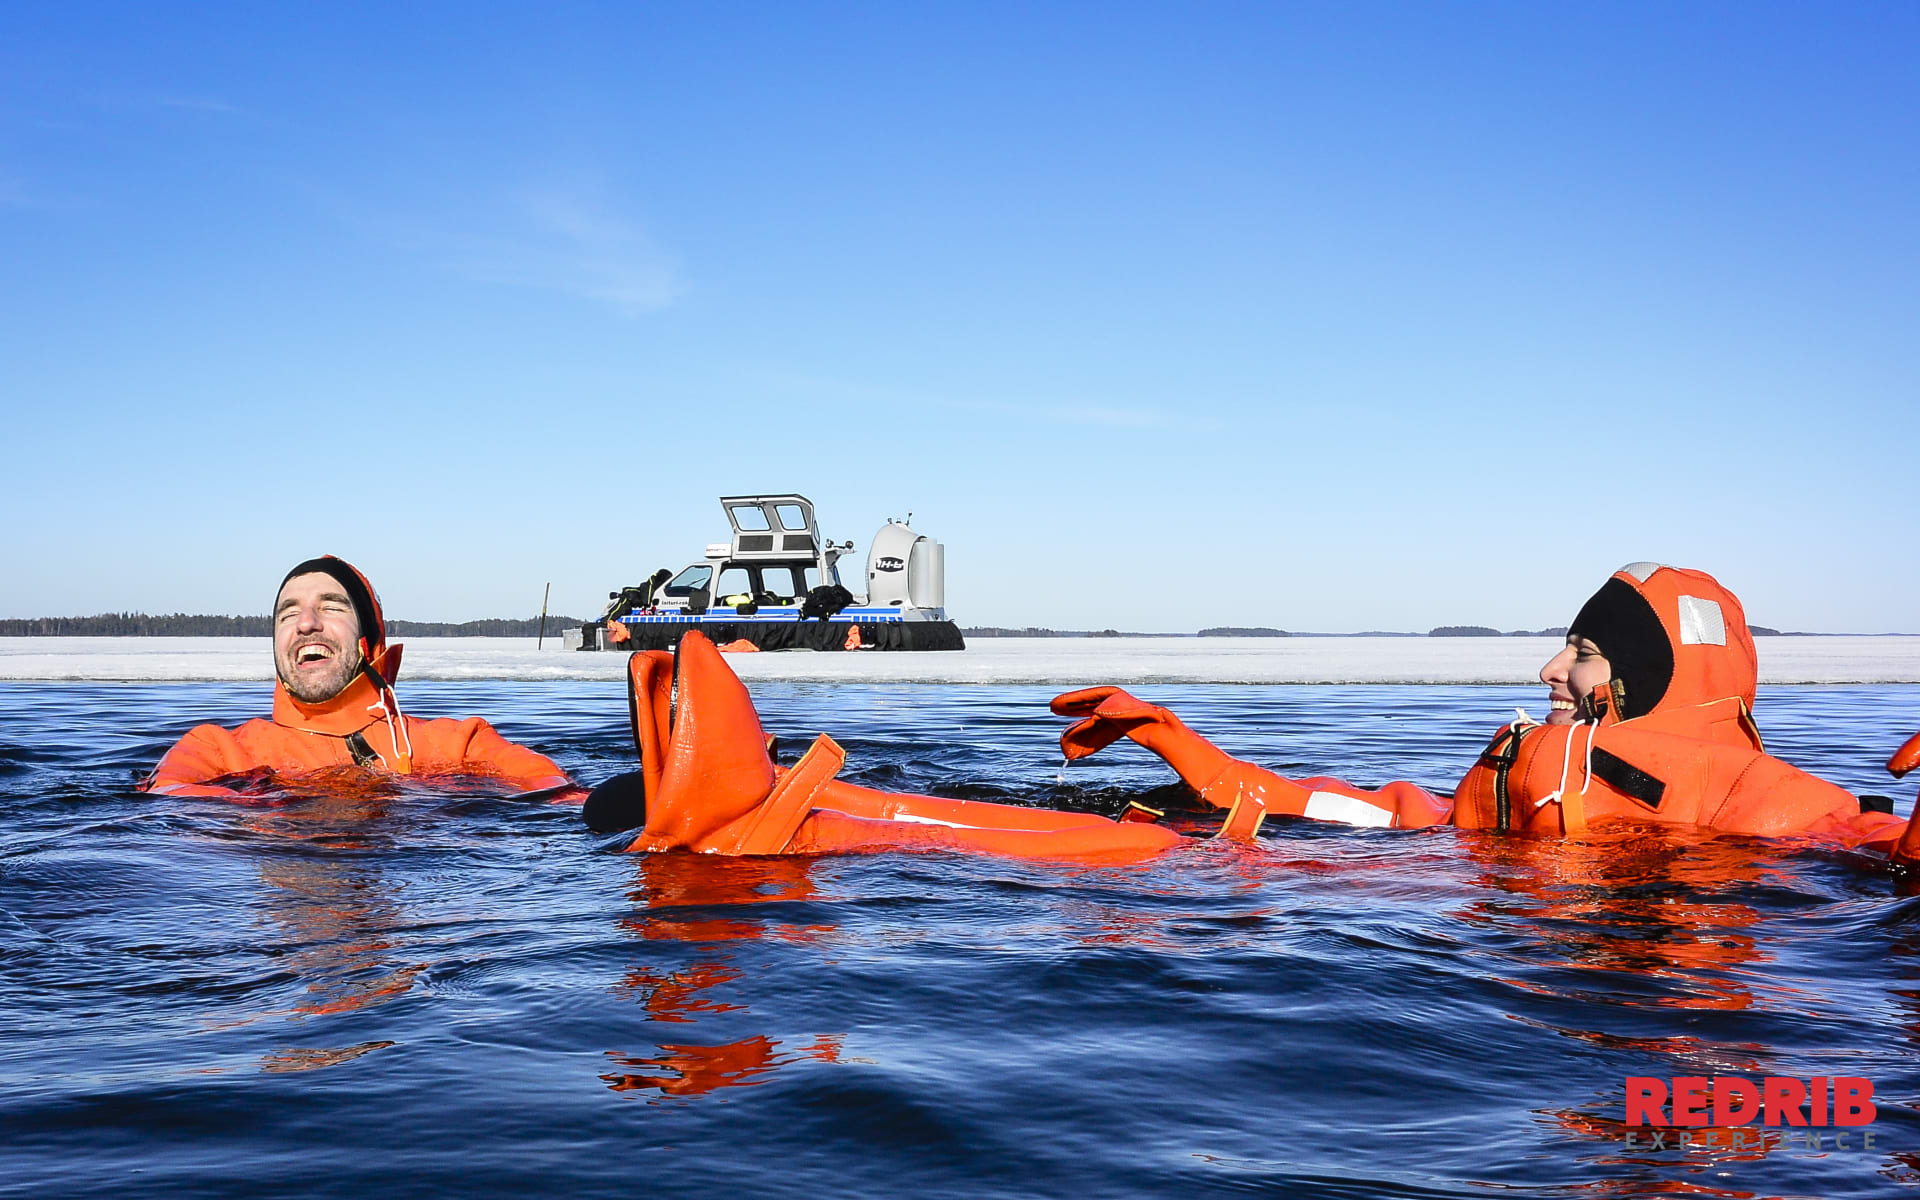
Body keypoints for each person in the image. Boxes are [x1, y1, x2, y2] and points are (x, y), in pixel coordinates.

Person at [1052, 562, 1917, 858]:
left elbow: (1876, 858)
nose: (1550, 667)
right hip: (1505, 994)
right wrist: (1182, 745)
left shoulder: (1768, 804)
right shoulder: (1520, 780)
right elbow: (1373, 814)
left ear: (1648, 677)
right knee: (1173, 839)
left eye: (1581, 652)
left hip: (1649, 1035)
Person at [140, 556, 576, 799]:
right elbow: (168, 809)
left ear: (369, 640)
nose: (306, 623)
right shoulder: (215, 750)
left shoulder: (461, 742)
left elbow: (556, 794)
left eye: (330, 607)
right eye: (288, 613)